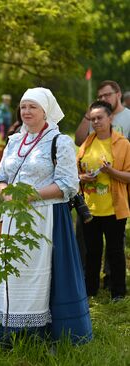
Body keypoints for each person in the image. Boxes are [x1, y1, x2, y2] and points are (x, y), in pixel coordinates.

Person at [0, 87, 92, 345]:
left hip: (47, 217)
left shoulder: (60, 142)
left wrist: (29, 196)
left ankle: (47, 335)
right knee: (15, 272)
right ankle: (13, 332)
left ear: (45, 111)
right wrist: (6, 193)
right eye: (23, 107)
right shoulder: (14, 141)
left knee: (42, 274)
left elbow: (69, 185)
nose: (26, 112)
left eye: (32, 107)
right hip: (14, 218)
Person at [77, 101, 129, 301]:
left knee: (115, 252)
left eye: (100, 118)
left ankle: (118, 292)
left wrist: (110, 171)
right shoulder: (87, 143)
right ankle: (90, 291)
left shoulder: (123, 144)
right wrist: (82, 177)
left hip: (114, 209)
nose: (96, 122)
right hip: (90, 209)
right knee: (92, 252)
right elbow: (76, 172)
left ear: (111, 118)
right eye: (93, 119)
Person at [75, 80, 130, 146]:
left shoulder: (128, 116)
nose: (103, 99)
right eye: (100, 97)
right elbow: (79, 142)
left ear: (118, 94)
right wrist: (87, 116)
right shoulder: (95, 118)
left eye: (107, 95)